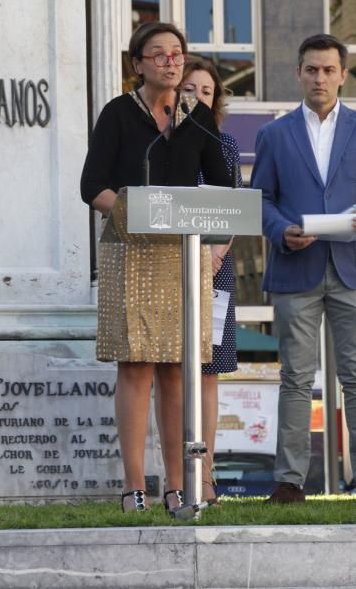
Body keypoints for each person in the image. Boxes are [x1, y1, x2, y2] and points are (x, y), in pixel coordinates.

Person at [80, 21, 231, 512]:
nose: (170, 61)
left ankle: (176, 483)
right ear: (137, 64)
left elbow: (226, 187)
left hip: (181, 256)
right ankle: (132, 487)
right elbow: (92, 185)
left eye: (177, 54)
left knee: (175, 372)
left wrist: (215, 247)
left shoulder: (198, 115)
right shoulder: (119, 114)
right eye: (159, 54)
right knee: (137, 366)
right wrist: (132, 212)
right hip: (132, 248)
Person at [251, 33, 356, 503]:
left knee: (355, 376)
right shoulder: (274, 134)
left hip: (352, 266)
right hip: (297, 265)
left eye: (329, 70)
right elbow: (261, 201)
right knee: (295, 376)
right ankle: (290, 482)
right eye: (311, 69)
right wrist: (279, 231)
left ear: (343, 75)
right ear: (298, 73)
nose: (320, 78)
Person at [181, 58, 242, 505]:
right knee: (167, 376)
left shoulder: (226, 145)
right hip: (168, 271)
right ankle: (172, 476)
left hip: (215, 273)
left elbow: (234, 208)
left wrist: (214, 253)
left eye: (206, 91)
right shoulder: (159, 143)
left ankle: (205, 477)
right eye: (190, 90)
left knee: (207, 376)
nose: (198, 97)